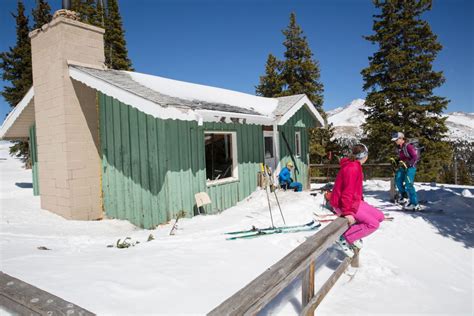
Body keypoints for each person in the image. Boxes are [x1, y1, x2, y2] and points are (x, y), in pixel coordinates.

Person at [329, 144, 384, 256]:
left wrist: (361, 200)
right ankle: (345, 237)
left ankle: (355, 233)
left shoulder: (355, 165)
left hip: (354, 201)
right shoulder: (352, 168)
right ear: (365, 156)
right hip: (343, 205)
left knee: (380, 216)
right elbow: (347, 192)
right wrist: (348, 213)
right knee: (373, 224)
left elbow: (355, 188)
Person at [391, 132, 420, 211]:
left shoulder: (408, 146)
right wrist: (396, 161)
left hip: (411, 167)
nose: (395, 141)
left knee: (408, 184)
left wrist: (409, 164)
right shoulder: (399, 147)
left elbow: (415, 157)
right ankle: (404, 197)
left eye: (396, 139)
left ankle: (415, 204)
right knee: (398, 180)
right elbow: (403, 158)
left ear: (401, 138)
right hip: (403, 166)